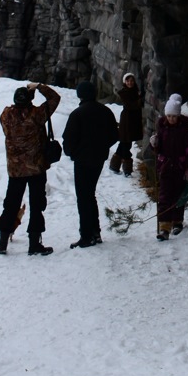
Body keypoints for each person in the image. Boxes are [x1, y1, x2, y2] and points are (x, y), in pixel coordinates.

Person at [0, 82, 61, 255]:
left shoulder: (6, 114)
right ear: (29, 100)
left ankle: (2, 243)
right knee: (37, 205)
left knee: (11, 205)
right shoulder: (37, 114)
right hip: (36, 168)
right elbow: (55, 98)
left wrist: (26, 96)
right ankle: (34, 244)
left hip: (15, 170)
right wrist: (38, 87)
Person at [62, 80, 119, 249]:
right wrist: (102, 147)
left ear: (80, 95)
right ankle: (95, 232)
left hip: (82, 160)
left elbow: (68, 140)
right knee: (90, 194)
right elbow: (114, 135)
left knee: (84, 197)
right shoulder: (105, 111)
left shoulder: (77, 114)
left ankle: (87, 235)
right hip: (98, 159)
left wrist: (73, 153)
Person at [154, 95, 188, 240]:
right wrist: (155, 143)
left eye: (174, 116)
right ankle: (164, 227)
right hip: (165, 167)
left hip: (180, 167)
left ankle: (177, 222)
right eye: (169, 116)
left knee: (178, 195)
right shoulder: (162, 128)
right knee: (164, 196)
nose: (171, 119)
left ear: (178, 116)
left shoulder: (183, 130)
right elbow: (158, 148)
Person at [109, 71, 143, 176]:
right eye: (128, 81)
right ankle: (127, 169)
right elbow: (130, 106)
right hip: (127, 121)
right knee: (126, 143)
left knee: (124, 142)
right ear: (125, 82)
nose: (130, 83)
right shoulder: (124, 93)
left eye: (132, 81)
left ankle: (114, 166)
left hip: (133, 121)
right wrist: (139, 100)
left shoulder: (136, 91)